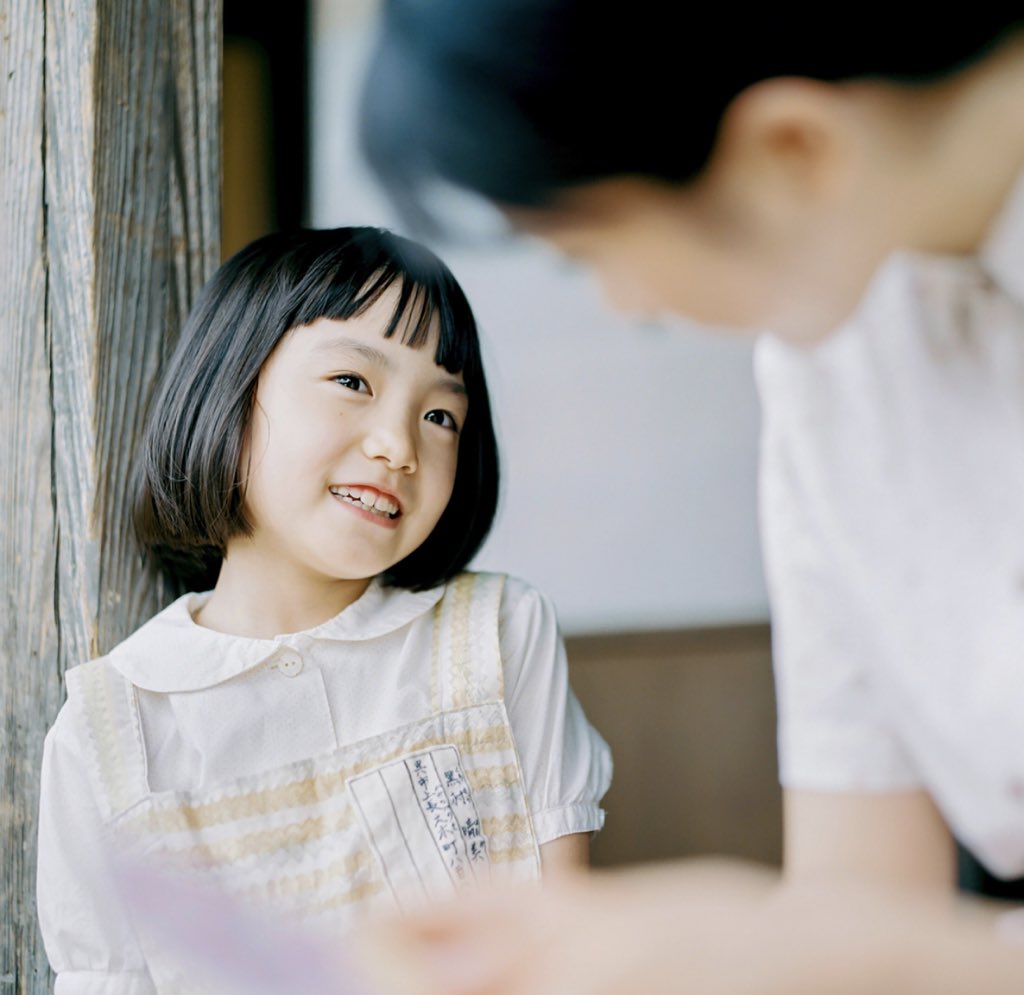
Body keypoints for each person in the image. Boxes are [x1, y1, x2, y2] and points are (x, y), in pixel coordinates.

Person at [353, 5, 1024, 992]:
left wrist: (745, 943)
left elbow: (886, 951)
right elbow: (863, 903)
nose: (623, 303)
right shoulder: (827, 354)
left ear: (793, 149)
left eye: (587, 251)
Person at [35, 226, 611, 994]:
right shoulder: (113, 730)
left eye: (441, 415)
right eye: (353, 381)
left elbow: (564, 945)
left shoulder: (499, 636)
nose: (399, 445)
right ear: (228, 387)